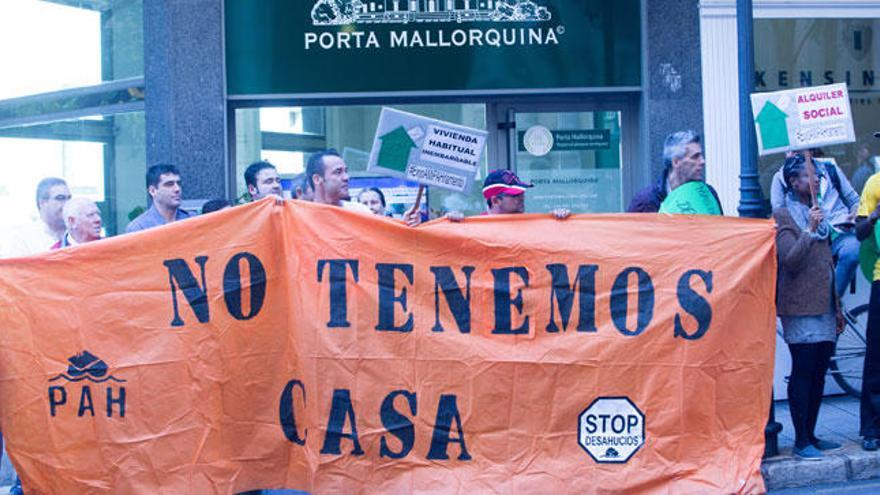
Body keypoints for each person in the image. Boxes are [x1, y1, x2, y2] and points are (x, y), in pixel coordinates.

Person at [774, 154, 843, 460]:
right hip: (800, 307)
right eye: (809, 176)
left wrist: (838, 306)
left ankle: (812, 434)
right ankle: (801, 439)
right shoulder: (784, 215)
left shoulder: (819, 211)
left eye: (816, 176)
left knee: (819, 372)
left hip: (825, 304)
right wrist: (808, 229)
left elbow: (827, 261)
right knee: (803, 370)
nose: (816, 181)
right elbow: (789, 259)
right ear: (793, 182)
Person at [770, 149, 860, 298]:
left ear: (809, 151)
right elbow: (779, 215)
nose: (794, 155)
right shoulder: (780, 179)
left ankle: (832, 300)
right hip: (806, 237)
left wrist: (853, 216)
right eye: (790, 152)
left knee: (853, 251)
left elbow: (855, 201)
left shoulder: (830, 169)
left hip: (838, 232)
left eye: (798, 151)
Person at [306, 149, 420, 226]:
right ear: (317, 179)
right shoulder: (301, 219)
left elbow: (385, 241)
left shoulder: (361, 212)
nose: (346, 177)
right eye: (338, 172)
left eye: (346, 171)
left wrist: (406, 225)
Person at [627, 130, 722, 213]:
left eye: (701, 156)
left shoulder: (708, 194)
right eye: (695, 157)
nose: (702, 161)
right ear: (676, 162)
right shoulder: (645, 202)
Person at [854, 158, 880, 451]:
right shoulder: (874, 183)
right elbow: (859, 232)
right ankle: (872, 429)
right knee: (876, 356)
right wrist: (873, 216)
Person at [447, 169, 570, 221]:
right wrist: (451, 225)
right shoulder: (475, 227)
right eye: (515, 195)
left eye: (522, 193)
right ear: (495, 201)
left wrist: (559, 223)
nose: (521, 198)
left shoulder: (530, 224)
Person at [4, 177, 71, 257]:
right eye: (60, 198)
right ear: (42, 203)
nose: (67, 203)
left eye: (69, 198)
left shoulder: (78, 233)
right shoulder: (24, 238)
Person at [126, 164, 193, 233]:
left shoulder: (193, 220)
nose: (177, 189)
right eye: (169, 184)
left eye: (178, 183)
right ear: (152, 191)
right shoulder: (139, 228)